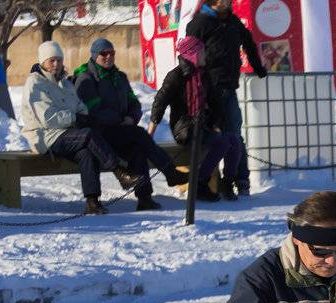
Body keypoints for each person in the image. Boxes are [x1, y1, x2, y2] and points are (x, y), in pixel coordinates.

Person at [20, 41, 139, 215]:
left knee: (87, 152)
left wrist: (83, 116)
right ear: (42, 62)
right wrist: (76, 118)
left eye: (59, 60)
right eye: (51, 60)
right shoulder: (35, 83)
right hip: (45, 137)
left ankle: (92, 202)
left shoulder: (65, 83)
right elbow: (48, 118)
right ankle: (119, 171)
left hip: (67, 134)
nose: (56, 64)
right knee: (88, 136)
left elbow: (80, 106)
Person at [73, 39, 188, 211]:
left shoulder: (120, 77)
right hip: (99, 135)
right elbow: (94, 111)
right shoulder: (86, 78)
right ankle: (170, 172)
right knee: (140, 135)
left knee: (138, 148)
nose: (109, 57)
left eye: (112, 53)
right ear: (95, 55)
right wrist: (121, 120)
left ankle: (145, 198)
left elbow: (135, 104)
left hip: (122, 131)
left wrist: (131, 117)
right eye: (104, 54)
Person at [185, 0, 266, 199]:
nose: (228, 2)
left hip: (228, 87)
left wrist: (258, 67)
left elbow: (248, 42)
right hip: (208, 89)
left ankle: (238, 180)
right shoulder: (199, 23)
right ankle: (206, 181)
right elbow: (188, 55)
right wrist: (194, 84)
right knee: (218, 137)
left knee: (235, 136)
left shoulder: (233, 21)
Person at [149, 36, 244, 204]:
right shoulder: (176, 76)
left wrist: (215, 124)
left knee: (234, 141)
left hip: (203, 125)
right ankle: (199, 184)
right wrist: (151, 129)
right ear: (191, 54)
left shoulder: (205, 75)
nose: (205, 55)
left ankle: (227, 182)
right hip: (184, 128)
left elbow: (216, 105)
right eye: (201, 52)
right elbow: (160, 101)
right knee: (221, 143)